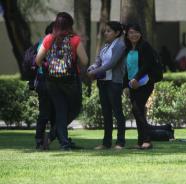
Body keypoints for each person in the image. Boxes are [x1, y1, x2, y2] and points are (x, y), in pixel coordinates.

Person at [35, 12, 88, 151]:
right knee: (75, 109)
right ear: (70, 25)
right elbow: (85, 60)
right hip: (70, 79)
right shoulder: (74, 39)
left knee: (60, 111)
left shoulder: (48, 38)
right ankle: (54, 136)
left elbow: (37, 60)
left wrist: (49, 67)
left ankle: (63, 143)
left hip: (51, 80)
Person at [87, 21, 126, 150]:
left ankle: (120, 142)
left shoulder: (120, 45)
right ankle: (106, 142)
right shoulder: (105, 46)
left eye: (109, 31)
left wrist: (95, 72)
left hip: (114, 82)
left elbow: (112, 63)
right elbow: (98, 61)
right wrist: (91, 68)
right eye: (105, 31)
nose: (106, 33)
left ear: (117, 33)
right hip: (103, 82)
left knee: (117, 112)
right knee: (106, 112)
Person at [123, 23, 157, 149]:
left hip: (145, 82)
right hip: (132, 84)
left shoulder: (144, 46)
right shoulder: (127, 48)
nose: (134, 35)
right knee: (137, 111)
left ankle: (147, 140)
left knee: (137, 109)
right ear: (127, 35)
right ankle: (140, 141)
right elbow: (127, 68)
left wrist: (136, 78)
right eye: (131, 32)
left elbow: (147, 65)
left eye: (136, 32)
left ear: (140, 33)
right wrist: (127, 84)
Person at [34, 22, 56, 150]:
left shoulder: (46, 41)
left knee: (51, 112)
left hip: (47, 80)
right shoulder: (47, 41)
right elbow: (39, 61)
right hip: (46, 80)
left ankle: (45, 139)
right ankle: (40, 140)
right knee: (46, 112)